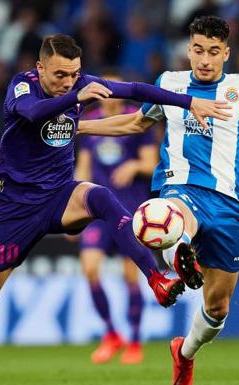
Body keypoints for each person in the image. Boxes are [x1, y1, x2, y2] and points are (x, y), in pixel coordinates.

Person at [0, 33, 231, 385]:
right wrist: (77, 95)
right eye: (60, 74)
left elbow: (135, 90)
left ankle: (157, 279)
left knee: (102, 198)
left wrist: (188, 101)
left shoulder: (79, 85)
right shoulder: (22, 88)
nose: (68, 81)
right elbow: (33, 113)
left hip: (60, 195)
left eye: (74, 74)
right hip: (17, 208)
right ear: (40, 67)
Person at [78, 16, 239, 385]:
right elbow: (135, 123)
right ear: (189, 49)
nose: (204, 60)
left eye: (213, 52)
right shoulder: (170, 85)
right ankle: (180, 252)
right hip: (180, 189)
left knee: (217, 308)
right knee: (168, 216)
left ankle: (184, 352)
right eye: (198, 50)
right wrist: (77, 126)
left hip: (226, 205)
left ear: (226, 53)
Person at [75, 71, 157, 365]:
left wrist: (134, 166)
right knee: (90, 269)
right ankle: (111, 334)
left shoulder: (137, 119)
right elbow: (83, 168)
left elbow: (151, 163)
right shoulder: (90, 122)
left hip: (129, 209)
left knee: (130, 276)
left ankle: (135, 340)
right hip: (96, 211)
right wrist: (72, 208)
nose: (106, 95)